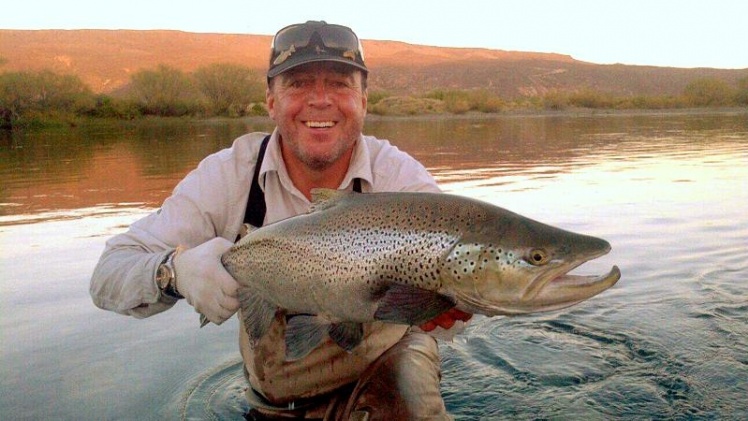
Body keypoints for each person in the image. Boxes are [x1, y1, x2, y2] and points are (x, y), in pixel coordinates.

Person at [90, 21, 471, 420]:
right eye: (299, 83)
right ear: (271, 101)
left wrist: (452, 310)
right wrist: (174, 273)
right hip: (275, 401)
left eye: (340, 84)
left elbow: (460, 306)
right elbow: (108, 273)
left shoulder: (401, 180)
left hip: (388, 369)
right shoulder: (228, 176)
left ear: (363, 99)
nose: (320, 100)